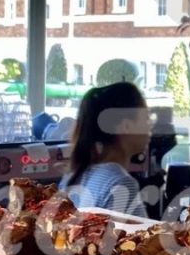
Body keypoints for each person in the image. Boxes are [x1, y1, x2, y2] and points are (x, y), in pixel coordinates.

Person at [60, 80, 150, 219]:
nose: (149, 129)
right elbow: (139, 234)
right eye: (146, 120)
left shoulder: (72, 176)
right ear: (126, 126)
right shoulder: (120, 183)